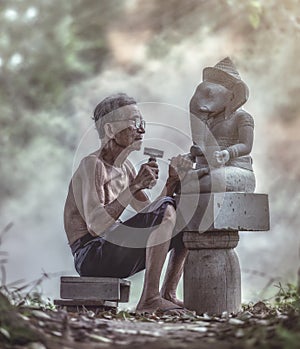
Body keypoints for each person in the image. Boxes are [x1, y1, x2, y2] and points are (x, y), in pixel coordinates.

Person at [64, 93, 194, 314]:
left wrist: (172, 182)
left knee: (182, 215)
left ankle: (167, 293)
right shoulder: (92, 165)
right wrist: (133, 187)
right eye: (134, 123)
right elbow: (95, 227)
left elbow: (155, 214)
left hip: (111, 250)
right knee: (167, 209)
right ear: (110, 130)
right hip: (90, 255)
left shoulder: (126, 169)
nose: (142, 130)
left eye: (141, 123)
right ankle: (149, 299)